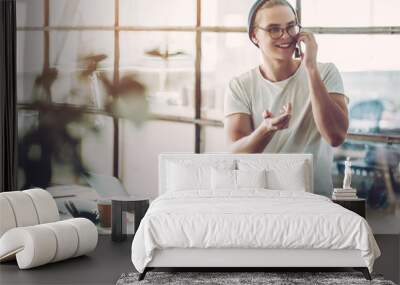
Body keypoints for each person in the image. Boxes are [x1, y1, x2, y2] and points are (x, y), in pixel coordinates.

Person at [224, 0, 349, 196]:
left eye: (291, 27)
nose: (286, 36)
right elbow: (236, 154)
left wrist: (310, 68)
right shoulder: (240, 86)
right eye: (274, 29)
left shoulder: (325, 72)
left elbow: (336, 136)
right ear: (255, 36)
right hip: (261, 200)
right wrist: (267, 129)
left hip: (314, 200)